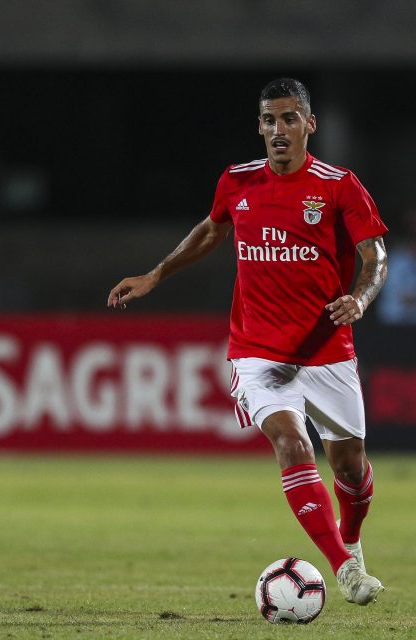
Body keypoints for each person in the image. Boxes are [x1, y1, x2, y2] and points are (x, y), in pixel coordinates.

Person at [107, 78, 387, 605]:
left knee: (350, 466)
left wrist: (360, 298)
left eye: (287, 119)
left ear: (309, 124)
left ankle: (350, 538)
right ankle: (344, 568)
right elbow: (211, 232)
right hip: (257, 349)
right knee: (291, 441)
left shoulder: (339, 186)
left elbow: (374, 258)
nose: (277, 130)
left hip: (326, 348)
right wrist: (156, 275)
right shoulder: (237, 181)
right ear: (258, 127)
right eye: (267, 120)